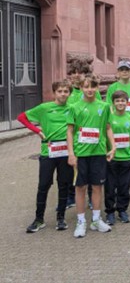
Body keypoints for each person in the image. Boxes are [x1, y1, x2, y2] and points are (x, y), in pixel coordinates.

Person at [18, 80, 72, 233]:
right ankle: (38, 219)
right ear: (54, 93)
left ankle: (61, 218)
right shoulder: (44, 108)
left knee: (64, 184)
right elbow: (22, 117)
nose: (63, 94)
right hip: (48, 151)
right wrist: (37, 131)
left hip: (66, 151)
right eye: (60, 91)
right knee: (43, 185)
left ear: (69, 94)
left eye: (66, 91)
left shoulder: (73, 108)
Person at [66, 74, 115, 238]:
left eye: (93, 86)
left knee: (97, 186)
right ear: (80, 87)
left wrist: (113, 147)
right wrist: (71, 153)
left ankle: (96, 219)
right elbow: (70, 131)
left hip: (98, 152)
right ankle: (81, 222)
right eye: (86, 86)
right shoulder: (74, 107)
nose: (89, 90)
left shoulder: (104, 106)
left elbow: (108, 128)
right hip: (81, 154)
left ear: (97, 87)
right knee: (80, 187)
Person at [106, 60, 130, 205]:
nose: (124, 72)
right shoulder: (112, 87)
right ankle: (118, 189)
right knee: (115, 159)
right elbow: (110, 107)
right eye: (121, 69)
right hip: (116, 128)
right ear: (118, 72)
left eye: (127, 69)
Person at [104, 91, 130, 225]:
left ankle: (122, 210)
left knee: (124, 186)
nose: (120, 103)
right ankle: (110, 212)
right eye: (117, 101)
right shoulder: (109, 119)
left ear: (127, 102)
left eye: (123, 101)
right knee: (110, 186)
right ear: (113, 103)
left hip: (126, 158)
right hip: (112, 159)